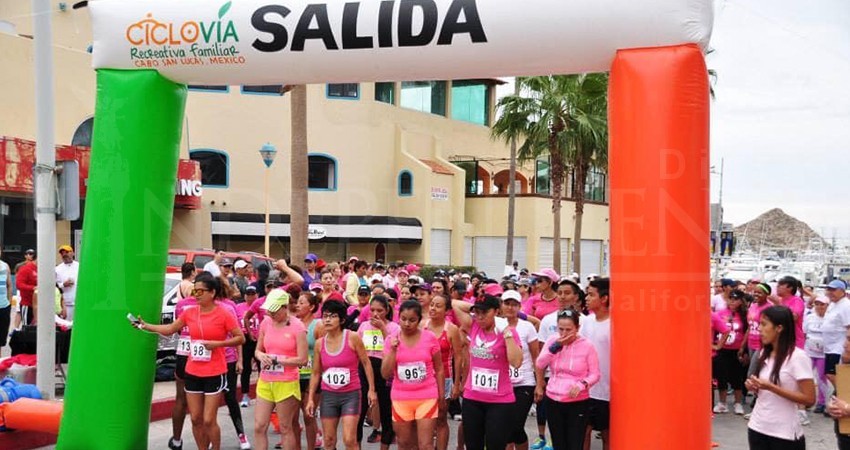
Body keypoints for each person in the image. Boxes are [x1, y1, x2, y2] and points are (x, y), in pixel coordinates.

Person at [137, 273, 245, 450]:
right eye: (195, 291)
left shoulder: (223, 314)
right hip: (193, 370)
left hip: (215, 371)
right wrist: (146, 325)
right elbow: (170, 329)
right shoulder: (190, 313)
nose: (197, 294)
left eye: (201, 291)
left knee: (209, 419)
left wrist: (219, 343)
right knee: (195, 418)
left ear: (212, 293)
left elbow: (240, 338)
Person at [452, 294, 522, 450]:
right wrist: (473, 305)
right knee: (473, 445)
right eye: (477, 312)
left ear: (496, 312)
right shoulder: (474, 326)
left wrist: (506, 332)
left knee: (495, 445)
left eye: (485, 312)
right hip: (473, 398)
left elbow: (516, 362)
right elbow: (454, 303)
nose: (480, 316)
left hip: (500, 402)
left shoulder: (507, 332)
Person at [306, 300, 377, 450]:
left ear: (342, 320)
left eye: (332, 316)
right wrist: (311, 398)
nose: (327, 320)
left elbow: (366, 362)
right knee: (329, 440)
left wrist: (371, 389)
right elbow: (316, 372)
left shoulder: (352, 337)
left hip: (351, 395)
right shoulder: (319, 343)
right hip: (329, 395)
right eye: (325, 316)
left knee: (349, 439)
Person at [745, 305, 815, 450]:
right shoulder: (763, 353)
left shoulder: (797, 357)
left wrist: (771, 387)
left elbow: (809, 399)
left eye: (764, 324)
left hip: (784, 433)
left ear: (779, 328)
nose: (759, 329)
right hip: (757, 426)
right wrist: (753, 386)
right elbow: (763, 390)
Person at [381, 300, 445, 450]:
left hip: (426, 396)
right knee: (404, 443)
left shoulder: (429, 338)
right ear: (398, 317)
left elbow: (439, 368)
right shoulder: (391, 339)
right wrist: (393, 350)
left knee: (426, 445)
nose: (407, 324)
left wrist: (441, 395)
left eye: (412, 320)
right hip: (401, 398)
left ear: (419, 320)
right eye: (403, 319)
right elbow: (385, 373)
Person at [536, 309, 600, 450]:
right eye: (561, 329)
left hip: (577, 401)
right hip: (553, 398)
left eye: (568, 330)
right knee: (558, 442)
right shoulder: (553, 341)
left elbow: (595, 374)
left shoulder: (587, 345)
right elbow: (540, 363)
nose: (564, 334)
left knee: (575, 442)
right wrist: (555, 348)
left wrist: (582, 384)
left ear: (577, 328)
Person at [253, 289, 308, 450]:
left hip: (286, 382)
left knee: (285, 426)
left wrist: (280, 361)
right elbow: (258, 350)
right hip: (266, 379)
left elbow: (303, 360)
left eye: (275, 310)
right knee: (259, 426)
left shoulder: (298, 327)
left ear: (285, 307)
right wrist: (261, 356)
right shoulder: (265, 322)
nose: (271, 313)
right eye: (269, 309)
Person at [534, 278, 583, 450]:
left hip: (577, 387)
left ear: (576, 297)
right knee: (557, 432)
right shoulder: (547, 320)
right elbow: (540, 356)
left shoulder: (584, 321)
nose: (562, 297)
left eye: (567, 293)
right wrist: (539, 384)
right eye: (560, 293)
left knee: (577, 434)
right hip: (551, 382)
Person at [501, 290, 542, 450]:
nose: (510, 308)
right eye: (507, 304)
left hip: (524, 382)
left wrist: (539, 384)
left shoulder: (527, 327)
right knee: (503, 426)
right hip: (501, 383)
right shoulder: (495, 324)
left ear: (519, 307)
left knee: (516, 425)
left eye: (514, 304)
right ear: (501, 305)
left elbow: (536, 357)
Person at [357, 295, 399, 448]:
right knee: (359, 412)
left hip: (384, 370)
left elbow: (393, 347)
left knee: (386, 412)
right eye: (372, 310)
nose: (375, 314)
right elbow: (358, 351)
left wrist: (382, 328)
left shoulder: (394, 327)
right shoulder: (363, 327)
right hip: (365, 369)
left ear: (387, 310)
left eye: (379, 310)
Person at [424, 294, 464, 450]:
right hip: (424, 380)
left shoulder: (452, 329)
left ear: (447, 310)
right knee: (425, 419)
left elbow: (459, 358)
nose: (433, 308)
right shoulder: (422, 326)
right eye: (432, 304)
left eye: (438, 305)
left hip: (445, 379)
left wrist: (456, 384)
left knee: (441, 419)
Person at [580, 277, 610, 450]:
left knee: (608, 434)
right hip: (587, 388)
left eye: (591, 295)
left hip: (608, 391)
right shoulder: (586, 322)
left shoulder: (616, 324)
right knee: (584, 431)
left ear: (604, 298)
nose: (587, 298)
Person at [294, 291, 324, 450]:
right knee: (293, 417)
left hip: (312, 376)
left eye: (301, 302)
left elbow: (323, 351)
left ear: (312, 307)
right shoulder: (293, 324)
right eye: (297, 302)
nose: (297, 305)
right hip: (294, 375)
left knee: (308, 415)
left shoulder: (318, 326)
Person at [713, 290, 749, 415]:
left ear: (741, 301)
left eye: (736, 299)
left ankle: (738, 403)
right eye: (730, 299)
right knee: (721, 376)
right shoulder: (719, 313)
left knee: (737, 377)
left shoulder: (744, 316)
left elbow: (747, 333)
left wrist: (744, 350)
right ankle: (722, 403)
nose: (732, 301)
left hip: (737, 350)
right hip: (722, 350)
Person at [823, 280, 850, 396]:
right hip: (829, 347)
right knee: (830, 374)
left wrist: (847, 349)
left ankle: (844, 394)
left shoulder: (846, 305)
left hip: (839, 347)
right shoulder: (833, 304)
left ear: (842, 291)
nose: (830, 292)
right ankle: (841, 395)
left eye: (833, 290)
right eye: (829, 289)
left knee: (832, 374)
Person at [803, 296, 828, 414]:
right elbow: (804, 332)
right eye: (817, 304)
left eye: (822, 304)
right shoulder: (810, 317)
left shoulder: (830, 318)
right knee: (805, 376)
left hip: (823, 353)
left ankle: (822, 402)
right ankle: (803, 400)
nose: (819, 307)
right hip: (809, 351)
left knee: (821, 378)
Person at [237, 285, 261, 407]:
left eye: (253, 294)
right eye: (248, 294)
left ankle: (261, 394)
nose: (251, 297)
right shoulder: (239, 308)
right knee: (246, 369)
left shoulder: (260, 306)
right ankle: (245, 394)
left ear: (257, 295)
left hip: (259, 339)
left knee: (262, 367)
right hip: (245, 339)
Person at [55, 245, 79, 320]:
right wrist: (63, 285)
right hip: (65, 304)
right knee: (66, 327)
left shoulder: (80, 266)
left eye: (67, 252)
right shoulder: (57, 269)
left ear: (73, 253)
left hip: (79, 303)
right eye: (62, 253)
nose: (64, 254)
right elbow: (54, 287)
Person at [15, 250, 37, 326]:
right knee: (27, 326)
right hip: (28, 303)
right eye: (28, 254)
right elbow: (19, 284)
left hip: (40, 304)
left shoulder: (43, 269)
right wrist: (33, 288)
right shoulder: (25, 268)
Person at [0, 248, 11, 347]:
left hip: (4, 306)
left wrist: (10, 301)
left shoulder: (5, 266)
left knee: (1, 339)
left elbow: (9, 285)